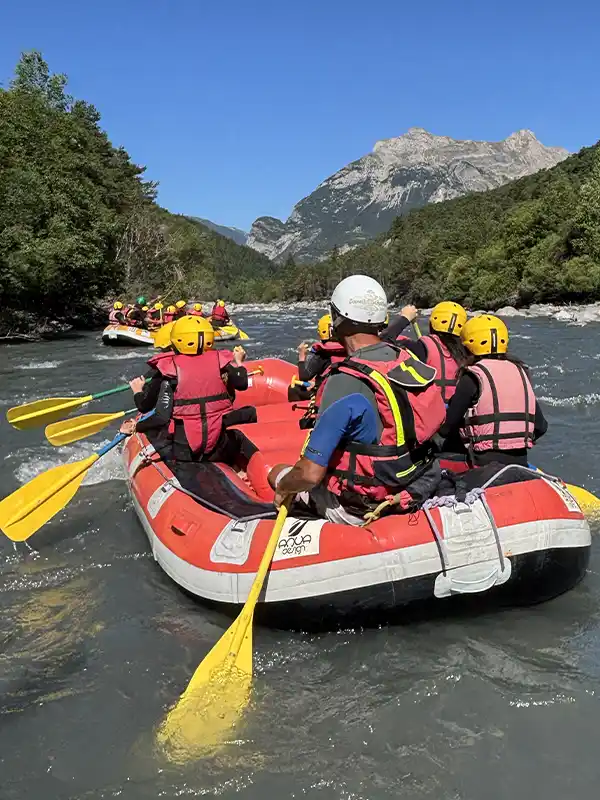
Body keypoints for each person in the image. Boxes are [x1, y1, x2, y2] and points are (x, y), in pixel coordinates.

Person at [268, 275, 446, 525]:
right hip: (415, 487)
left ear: (338, 319)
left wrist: (285, 487)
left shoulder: (343, 381)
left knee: (277, 473)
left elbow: (309, 474)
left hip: (362, 507)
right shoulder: (405, 358)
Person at [119, 316, 255, 466]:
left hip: (185, 451)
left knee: (167, 430)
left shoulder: (167, 369)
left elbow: (149, 410)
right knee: (243, 425)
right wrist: (240, 362)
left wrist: (138, 392)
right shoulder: (220, 362)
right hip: (218, 447)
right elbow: (242, 383)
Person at [439, 315, 548, 467]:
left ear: (466, 347)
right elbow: (541, 427)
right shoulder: (521, 372)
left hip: (481, 462)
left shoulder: (472, 377)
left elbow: (446, 429)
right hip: (519, 461)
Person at [290, 313, 346, 403]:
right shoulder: (349, 349)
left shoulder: (321, 354)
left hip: (325, 394)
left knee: (293, 389)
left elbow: (304, 377)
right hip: (343, 391)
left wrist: (301, 355)